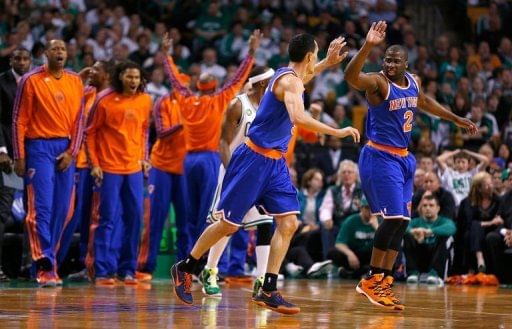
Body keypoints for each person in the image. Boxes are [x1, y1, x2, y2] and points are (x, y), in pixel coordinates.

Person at [171, 33, 360, 315]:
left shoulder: (290, 78)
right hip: (253, 159)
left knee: (288, 223)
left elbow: (304, 79)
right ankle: (186, 268)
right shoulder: (288, 81)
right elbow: (299, 117)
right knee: (228, 225)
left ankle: (268, 289)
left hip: (274, 163)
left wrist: (328, 63)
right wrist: (338, 130)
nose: (317, 60)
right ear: (309, 56)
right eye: (317, 54)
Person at [344, 21, 477, 310]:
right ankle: (371, 278)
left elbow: (425, 102)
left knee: (402, 222)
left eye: (396, 60)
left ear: (406, 63)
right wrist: (367, 46)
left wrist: (455, 119)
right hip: (380, 156)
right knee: (392, 219)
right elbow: (351, 76)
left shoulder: (413, 81)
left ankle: (385, 282)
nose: (390, 64)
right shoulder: (378, 83)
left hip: (404, 157)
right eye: (387, 59)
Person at [163, 30, 259, 249]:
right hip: (209, 160)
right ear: (215, 87)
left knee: (188, 211)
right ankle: (201, 260)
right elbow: (238, 79)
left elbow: (176, 81)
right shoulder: (220, 99)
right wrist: (251, 53)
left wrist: (167, 56)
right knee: (208, 211)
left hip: (187, 161)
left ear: (197, 87)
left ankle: (185, 260)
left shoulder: (186, 100)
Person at [199, 66, 276, 298]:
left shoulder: (270, 107)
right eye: (272, 81)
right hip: (234, 172)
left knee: (265, 221)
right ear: (263, 83)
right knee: (227, 225)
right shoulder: (238, 105)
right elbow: (222, 143)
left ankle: (261, 278)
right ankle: (210, 271)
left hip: (258, 175)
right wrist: (234, 171)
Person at [12, 40, 84, 287]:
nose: (60, 52)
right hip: (38, 147)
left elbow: (79, 121)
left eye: (63, 49)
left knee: (65, 209)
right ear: (45, 54)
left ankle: (47, 261)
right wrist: (20, 155)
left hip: (64, 148)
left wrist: (71, 152)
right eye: (55, 49)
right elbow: (18, 120)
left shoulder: (75, 80)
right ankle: (43, 263)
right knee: (41, 208)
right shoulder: (30, 80)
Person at [85, 61, 152, 285]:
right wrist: (94, 163)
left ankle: (128, 270)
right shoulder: (104, 99)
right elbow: (90, 133)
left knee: (134, 220)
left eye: (136, 77)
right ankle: (103, 271)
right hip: (108, 169)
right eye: (129, 76)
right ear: (120, 77)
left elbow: (143, 131)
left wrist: (144, 157)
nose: (133, 81)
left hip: (133, 169)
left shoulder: (145, 100)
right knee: (107, 219)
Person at [58, 60, 113, 281]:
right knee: (76, 216)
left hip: (100, 164)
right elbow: (65, 102)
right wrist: (79, 79)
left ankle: (95, 266)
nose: (92, 71)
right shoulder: (86, 92)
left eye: (98, 68)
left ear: (108, 75)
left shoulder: (111, 97)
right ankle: (79, 264)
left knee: (97, 216)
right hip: (78, 161)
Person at [136, 75, 190, 282]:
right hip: (162, 166)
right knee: (155, 219)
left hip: (185, 168)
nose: (182, 87)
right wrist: (185, 122)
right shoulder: (163, 102)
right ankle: (145, 266)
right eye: (178, 83)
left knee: (186, 221)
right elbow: (162, 133)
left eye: (185, 83)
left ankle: (184, 268)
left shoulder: (195, 103)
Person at [0, 47, 31, 282]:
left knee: (34, 213)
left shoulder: (35, 83)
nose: (21, 62)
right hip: (9, 157)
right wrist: (1, 151)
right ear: (11, 60)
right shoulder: (2, 82)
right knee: (2, 211)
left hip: (33, 155)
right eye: (17, 58)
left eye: (25, 58)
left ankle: (28, 267)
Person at [404, 194, 456, 285]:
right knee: (407, 237)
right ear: (421, 208)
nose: (428, 208)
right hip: (420, 255)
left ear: (438, 208)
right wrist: (413, 231)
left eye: (431, 205)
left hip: (436, 256)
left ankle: (436, 274)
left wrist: (430, 231)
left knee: (447, 237)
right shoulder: (415, 222)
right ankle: (413, 273)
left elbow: (451, 228)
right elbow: (402, 228)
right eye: (425, 205)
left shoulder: (444, 221)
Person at [326, 196, 378, 279]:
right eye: (367, 208)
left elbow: (387, 243)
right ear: (361, 208)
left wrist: (376, 227)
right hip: (355, 253)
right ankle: (361, 272)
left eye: (373, 208)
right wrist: (350, 254)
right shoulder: (351, 220)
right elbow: (339, 243)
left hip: (371, 255)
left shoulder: (380, 221)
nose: (370, 212)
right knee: (333, 253)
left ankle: (352, 273)